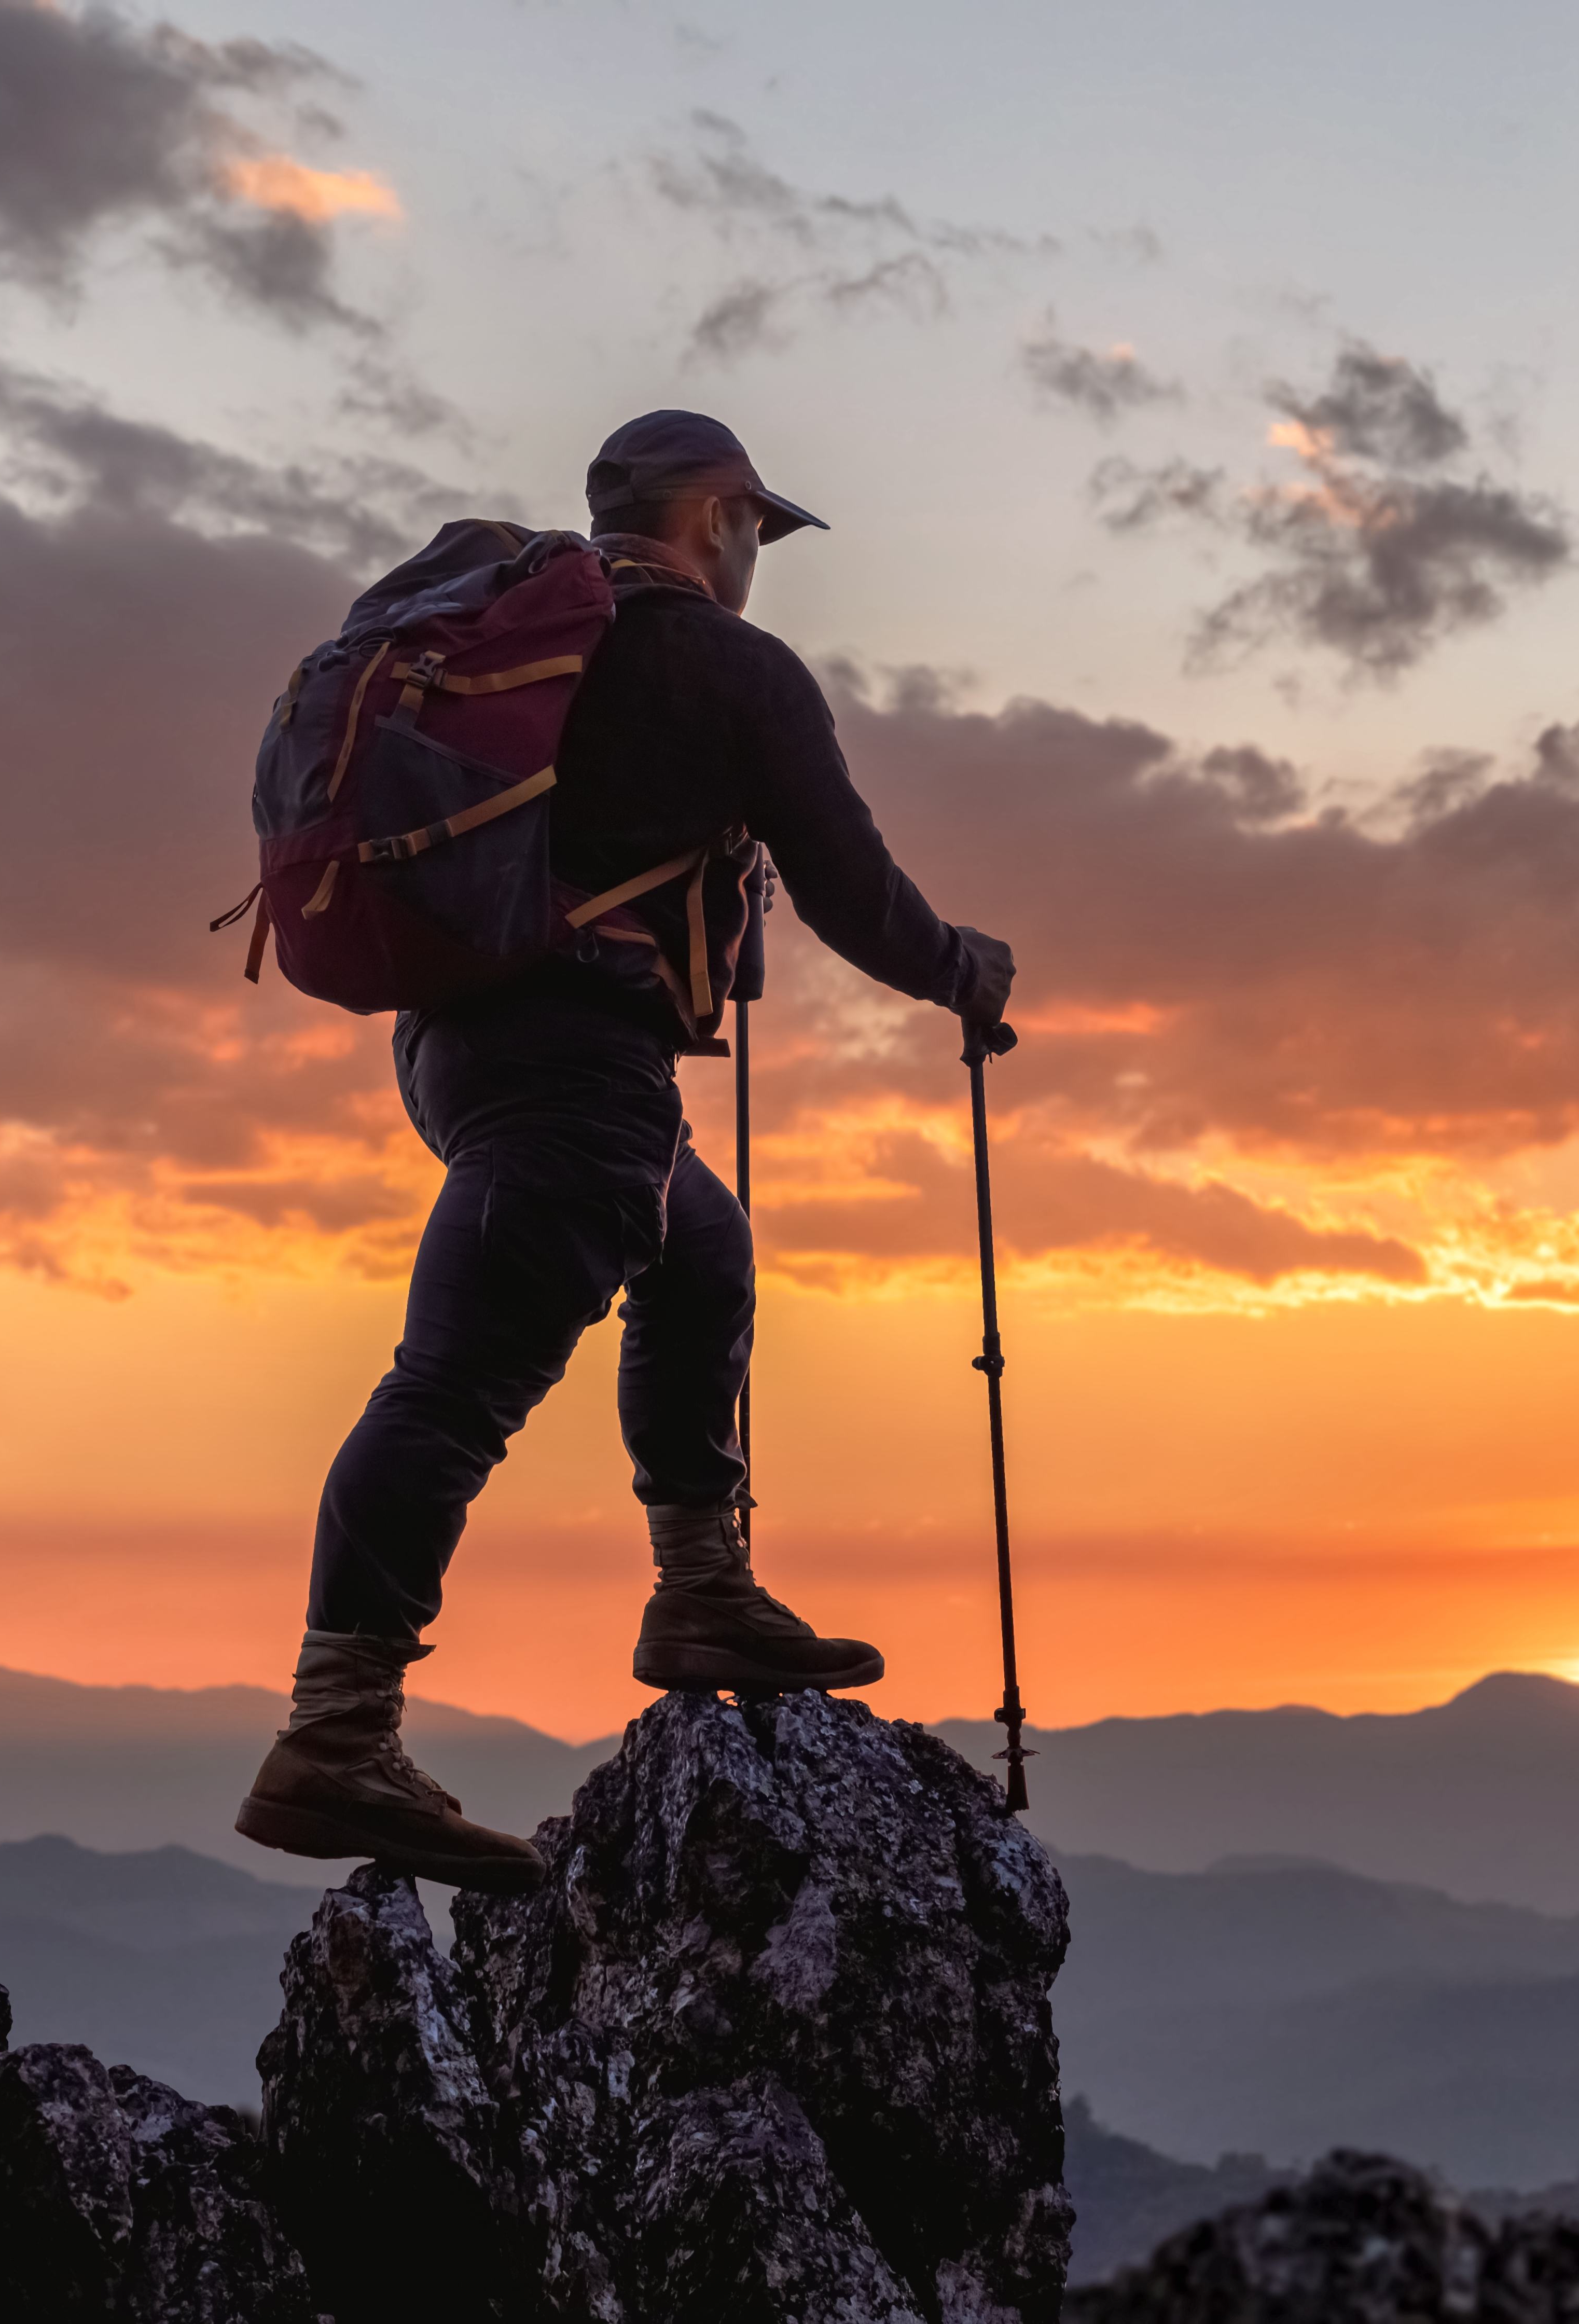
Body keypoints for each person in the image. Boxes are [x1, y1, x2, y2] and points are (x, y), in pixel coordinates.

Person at [233, 411, 1014, 1892]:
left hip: (461, 1049)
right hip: (577, 1068)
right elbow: (852, 885)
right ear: (720, 516)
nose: (758, 562)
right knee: (453, 1387)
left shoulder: (542, 648)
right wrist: (965, 971)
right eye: (757, 533)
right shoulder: (726, 664)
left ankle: (701, 1594)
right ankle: (336, 1733)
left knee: (701, 1255)